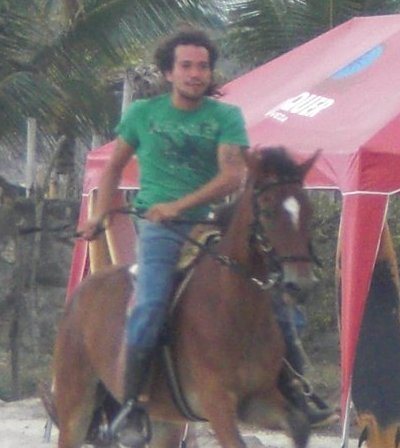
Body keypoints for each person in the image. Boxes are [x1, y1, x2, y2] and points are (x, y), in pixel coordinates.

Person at [78, 27, 333, 446]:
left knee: (277, 300)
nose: (196, 74)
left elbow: (233, 173)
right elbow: (112, 168)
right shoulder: (143, 114)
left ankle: (293, 390)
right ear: (168, 72)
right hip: (159, 230)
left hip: (213, 222)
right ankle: (130, 404)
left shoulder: (225, 118)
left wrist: (181, 206)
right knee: (151, 302)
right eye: (187, 66)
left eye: (203, 66)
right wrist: (102, 212)